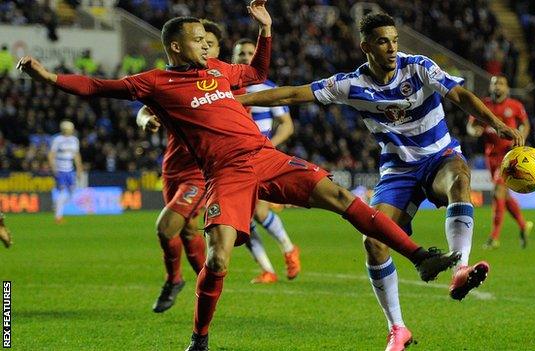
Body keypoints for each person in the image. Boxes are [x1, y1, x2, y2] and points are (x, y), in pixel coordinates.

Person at [17, 10, 460, 351]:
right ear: (175, 45)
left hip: (266, 158)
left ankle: (420, 256)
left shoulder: (219, 71)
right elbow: (96, 87)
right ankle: (200, 337)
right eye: (197, 41)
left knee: (341, 196)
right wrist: (50, 77)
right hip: (226, 175)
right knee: (221, 258)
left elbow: (258, 75)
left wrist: (265, 31)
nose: (207, 47)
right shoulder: (154, 83)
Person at [236, 13, 524, 350]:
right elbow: (290, 95)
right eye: (383, 41)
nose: (391, 48)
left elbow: (459, 95)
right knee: (373, 242)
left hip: (439, 157)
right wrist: (234, 100)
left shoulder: (418, 67)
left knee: (460, 178)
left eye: (394, 40)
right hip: (398, 171)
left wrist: (494, 124)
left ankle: (460, 268)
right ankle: (398, 329)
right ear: (366, 46)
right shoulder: (351, 85)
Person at [135, 17, 271, 313]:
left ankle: (178, 280)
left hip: (204, 170)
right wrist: (147, 121)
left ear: (218, 49)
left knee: (167, 226)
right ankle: (202, 282)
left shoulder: (227, 81)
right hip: (173, 166)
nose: (203, 47)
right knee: (186, 230)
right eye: (199, 42)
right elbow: (144, 110)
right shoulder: (178, 80)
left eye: (208, 44)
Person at [231, 38, 300, 284]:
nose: (246, 57)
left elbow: (287, 125)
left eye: (251, 53)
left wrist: (269, 145)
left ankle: (288, 249)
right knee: (241, 220)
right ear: (233, 57)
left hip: (257, 158)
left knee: (259, 212)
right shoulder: (225, 89)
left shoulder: (267, 87)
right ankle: (267, 269)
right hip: (230, 160)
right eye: (241, 53)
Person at [466, 75, 533, 249]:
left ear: (507, 88)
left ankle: (494, 237)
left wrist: (521, 138)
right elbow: (471, 125)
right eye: (495, 84)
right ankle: (523, 225)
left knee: (497, 192)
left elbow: (525, 124)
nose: (498, 87)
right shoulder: (484, 105)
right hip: (491, 157)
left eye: (501, 84)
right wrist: (474, 131)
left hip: (508, 155)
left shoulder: (515, 106)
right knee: (504, 195)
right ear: (490, 87)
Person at [48, 120, 83, 224]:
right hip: (60, 170)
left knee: (72, 192)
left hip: (69, 170)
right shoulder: (57, 139)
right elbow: (51, 154)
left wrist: (79, 169)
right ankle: (58, 217)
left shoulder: (74, 140)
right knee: (62, 192)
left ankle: (58, 204)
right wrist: (53, 168)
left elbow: (76, 155)